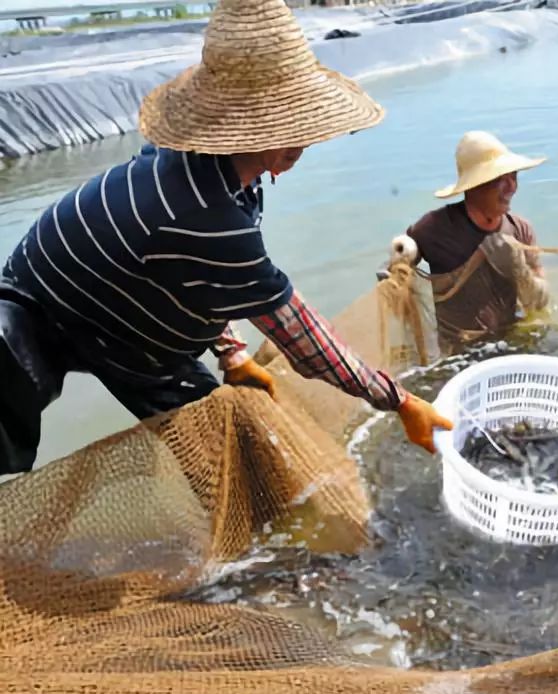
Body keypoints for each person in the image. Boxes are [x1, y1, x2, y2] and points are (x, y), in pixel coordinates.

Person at [0, 0, 451, 476]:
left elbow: (193, 270)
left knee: (229, 449)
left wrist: (231, 351)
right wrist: (399, 401)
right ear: (244, 126)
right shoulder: (208, 216)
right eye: (288, 127)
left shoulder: (210, 165)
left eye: (303, 125)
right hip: (32, 321)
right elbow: (300, 334)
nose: (303, 143)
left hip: (128, 326)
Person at [400, 131, 549, 352]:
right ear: (473, 186)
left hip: (510, 343)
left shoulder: (521, 231)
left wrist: (519, 269)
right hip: (459, 355)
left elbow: (540, 302)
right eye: (499, 179)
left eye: (513, 176)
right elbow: (398, 269)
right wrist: (398, 260)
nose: (511, 187)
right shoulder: (433, 229)